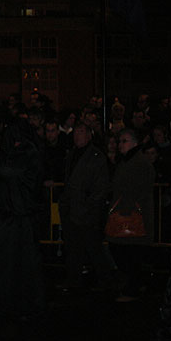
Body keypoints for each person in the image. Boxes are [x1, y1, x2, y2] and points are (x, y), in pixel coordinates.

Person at [0, 119, 46, 318]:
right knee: (10, 263)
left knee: (20, 263)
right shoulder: (25, 152)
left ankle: (22, 303)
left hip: (18, 217)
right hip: (13, 215)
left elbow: (5, 170)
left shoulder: (27, 153)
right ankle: (12, 302)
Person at [59, 122, 114, 293]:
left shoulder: (97, 157)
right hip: (73, 208)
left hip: (87, 210)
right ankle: (74, 279)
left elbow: (101, 187)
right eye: (76, 132)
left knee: (93, 247)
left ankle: (106, 280)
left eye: (81, 132)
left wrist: (89, 205)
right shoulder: (72, 155)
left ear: (89, 135)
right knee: (74, 247)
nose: (77, 136)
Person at [107, 128, 155, 302]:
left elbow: (139, 189)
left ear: (135, 143)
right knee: (126, 250)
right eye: (120, 141)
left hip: (133, 215)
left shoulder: (138, 163)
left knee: (129, 251)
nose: (120, 145)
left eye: (124, 141)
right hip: (129, 214)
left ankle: (133, 289)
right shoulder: (128, 161)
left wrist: (124, 204)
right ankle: (135, 284)